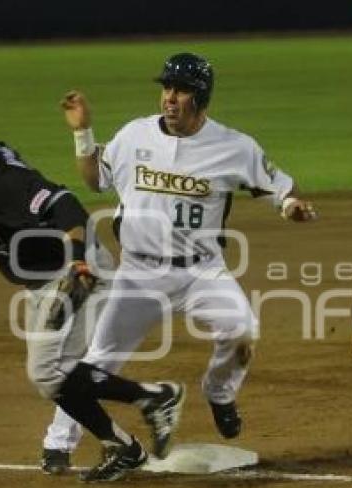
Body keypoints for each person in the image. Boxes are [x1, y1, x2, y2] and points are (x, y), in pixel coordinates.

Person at [59, 52, 316, 461]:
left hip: (201, 272)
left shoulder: (234, 146)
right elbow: (95, 179)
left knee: (241, 328)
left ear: (200, 97)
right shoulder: (134, 135)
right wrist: (83, 131)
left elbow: (278, 185)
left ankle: (219, 392)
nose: (169, 98)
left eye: (180, 90)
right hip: (138, 272)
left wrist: (290, 206)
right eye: (166, 88)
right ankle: (58, 443)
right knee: (100, 357)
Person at [0, 112, 185, 483]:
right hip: (48, 279)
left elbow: (66, 206)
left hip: (74, 273)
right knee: (57, 375)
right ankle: (130, 434)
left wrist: (77, 264)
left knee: (47, 371)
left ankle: (151, 401)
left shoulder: (9, 184)